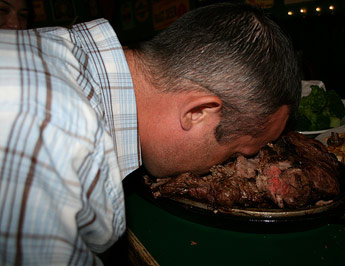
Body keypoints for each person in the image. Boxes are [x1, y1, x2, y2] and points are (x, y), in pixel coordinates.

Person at [0, 3, 300, 265]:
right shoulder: (55, 136)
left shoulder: (57, 52)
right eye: (236, 152)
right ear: (197, 112)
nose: (225, 166)